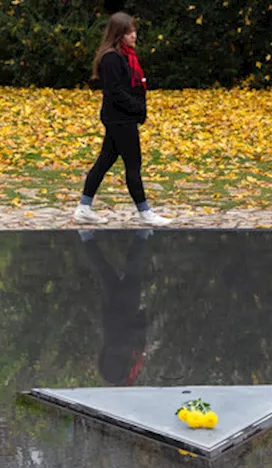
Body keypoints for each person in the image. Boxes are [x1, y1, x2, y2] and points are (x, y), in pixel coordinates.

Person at [74, 12, 171, 227]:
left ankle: (84, 207)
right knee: (133, 164)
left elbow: (130, 86)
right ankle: (145, 212)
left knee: (105, 161)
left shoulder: (127, 56)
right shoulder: (111, 58)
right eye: (129, 32)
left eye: (134, 31)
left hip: (123, 117)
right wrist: (138, 109)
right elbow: (114, 91)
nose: (134, 36)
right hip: (119, 119)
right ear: (119, 34)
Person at [79, 229, 154, 385]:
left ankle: (142, 235)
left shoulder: (126, 357)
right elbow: (104, 351)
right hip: (110, 314)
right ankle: (86, 236)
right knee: (104, 271)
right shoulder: (107, 370)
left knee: (133, 270)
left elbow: (135, 335)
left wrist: (142, 317)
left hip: (127, 308)